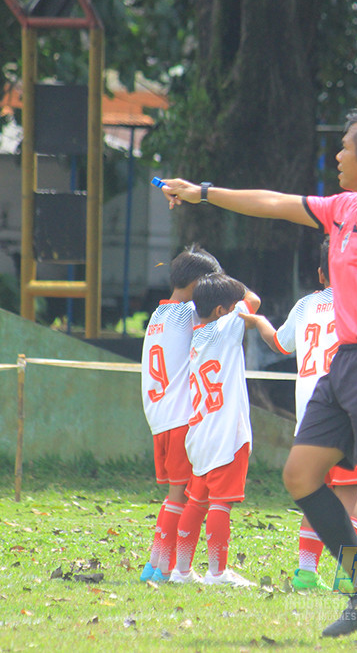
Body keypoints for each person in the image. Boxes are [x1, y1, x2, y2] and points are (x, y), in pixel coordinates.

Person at [159, 110, 357, 646]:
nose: (338, 156)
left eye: (345, 148)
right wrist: (202, 193)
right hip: (344, 363)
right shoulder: (344, 208)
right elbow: (273, 203)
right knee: (301, 474)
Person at [239, 237, 357, 592]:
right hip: (345, 410)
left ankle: (306, 573)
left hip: (309, 412)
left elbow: (280, 343)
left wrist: (259, 321)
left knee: (314, 490)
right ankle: (350, 574)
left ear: (322, 274)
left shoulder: (306, 304)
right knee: (350, 491)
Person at [169, 272, 260, 587]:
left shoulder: (196, 334)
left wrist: (215, 286)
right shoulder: (226, 327)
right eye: (233, 306)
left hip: (200, 433)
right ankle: (218, 572)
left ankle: (181, 570)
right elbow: (254, 300)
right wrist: (226, 279)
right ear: (222, 310)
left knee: (196, 502)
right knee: (221, 504)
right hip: (227, 435)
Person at [139, 245, 222, 583]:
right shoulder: (190, 313)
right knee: (183, 496)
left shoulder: (158, 315)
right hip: (180, 419)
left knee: (174, 494)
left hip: (159, 417)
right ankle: (166, 568)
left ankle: (154, 564)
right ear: (199, 283)